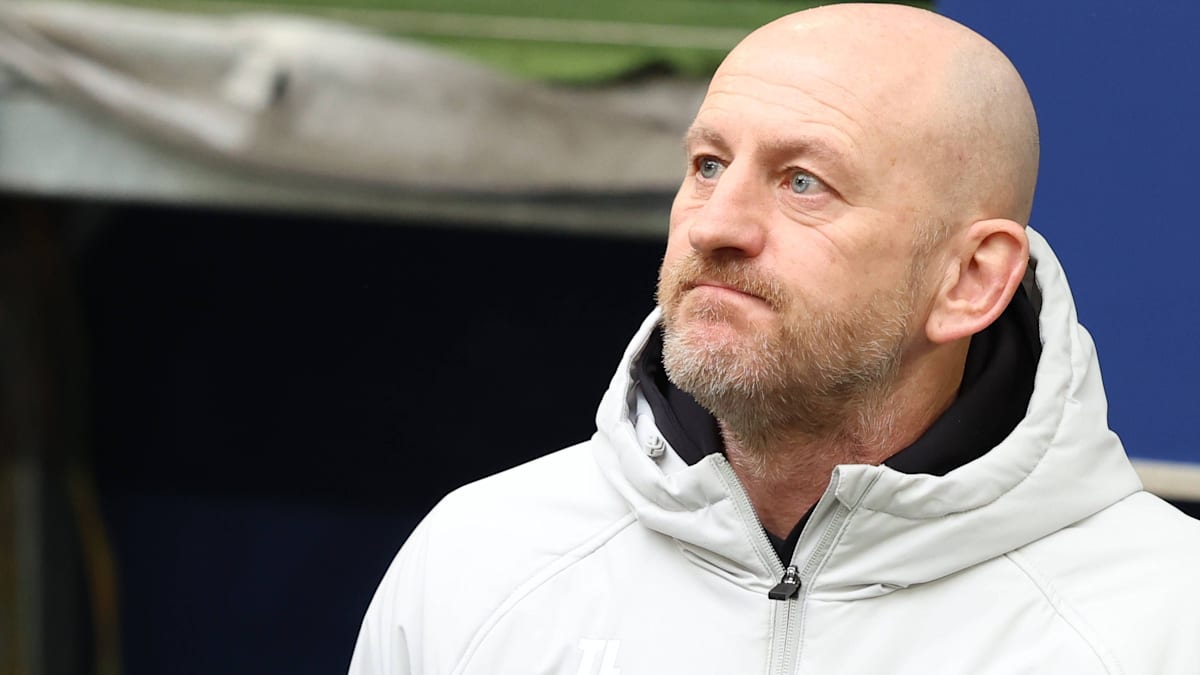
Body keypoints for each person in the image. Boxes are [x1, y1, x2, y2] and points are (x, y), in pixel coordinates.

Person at [349, 4, 1200, 673]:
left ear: (970, 279)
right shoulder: (478, 562)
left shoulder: (1166, 622)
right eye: (708, 164)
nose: (715, 224)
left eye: (803, 182)